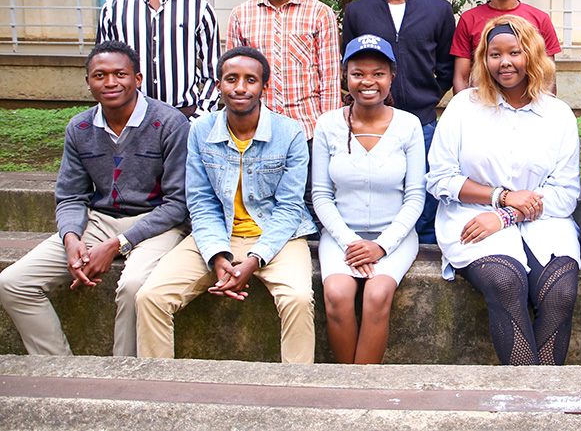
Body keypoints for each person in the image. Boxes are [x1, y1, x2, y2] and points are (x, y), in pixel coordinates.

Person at [0, 41, 189, 356]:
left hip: (156, 223)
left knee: (133, 287)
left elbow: (178, 204)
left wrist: (118, 245)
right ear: (88, 82)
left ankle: (122, 374)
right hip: (99, 222)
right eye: (100, 75)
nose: (110, 82)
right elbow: (71, 195)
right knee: (14, 283)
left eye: (120, 74)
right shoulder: (80, 127)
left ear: (138, 79)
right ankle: (59, 368)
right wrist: (71, 237)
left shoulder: (169, 123)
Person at [135, 47, 316, 363]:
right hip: (217, 232)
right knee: (151, 297)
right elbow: (201, 202)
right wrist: (218, 255)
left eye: (251, 80)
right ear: (219, 85)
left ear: (264, 87)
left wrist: (253, 260)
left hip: (278, 235)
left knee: (298, 299)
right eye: (231, 79)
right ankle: (157, 387)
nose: (241, 88)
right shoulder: (201, 131)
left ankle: (295, 389)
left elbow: (289, 207)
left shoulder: (290, 133)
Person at [426, 15, 580, 365]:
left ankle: (538, 393)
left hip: (544, 222)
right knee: (505, 282)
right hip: (472, 217)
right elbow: (440, 178)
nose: (504, 62)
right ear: (483, 59)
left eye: (514, 52)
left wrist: (507, 214)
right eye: (494, 54)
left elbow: (565, 193)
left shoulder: (557, 115)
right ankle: (530, 396)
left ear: (532, 55)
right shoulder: (464, 107)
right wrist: (501, 199)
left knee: (560, 293)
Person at [313, 35, 425, 363]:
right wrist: (349, 242)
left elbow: (415, 196)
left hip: (395, 235)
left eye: (378, 73)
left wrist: (382, 245)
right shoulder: (328, 125)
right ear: (345, 77)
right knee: (336, 294)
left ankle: (363, 387)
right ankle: (347, 384)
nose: (368, 82)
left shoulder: (408, 126)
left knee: (377, 295)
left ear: (391, 77)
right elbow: (321, 194)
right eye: (358, 73)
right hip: (341, 235)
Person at [342, 0, 456, 244]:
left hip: (422, 122)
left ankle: (425, 250)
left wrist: (429, 95)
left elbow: (447, 65)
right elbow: (349, 61)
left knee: (425, 192)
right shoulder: (358, 10)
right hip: (374, 121)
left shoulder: (438, 9)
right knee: (381, 191)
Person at [96, 0, 220, 119]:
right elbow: (101, 69)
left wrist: (199, 117)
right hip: (129, 119)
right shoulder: (113, 9)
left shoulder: (199, 9)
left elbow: (213, 72)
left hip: (183, 117)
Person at [227, 0, 340, 141]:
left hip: (307, 131)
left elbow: (329, 79)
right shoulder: (240, 15)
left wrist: (329, 134)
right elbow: (232, 79)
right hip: (256, 131)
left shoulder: (320, 14)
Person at [452, 0, 560, 94]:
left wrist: (543, 111)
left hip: (528, 108)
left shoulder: (540, 19)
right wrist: (466, 111)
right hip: (483, 106)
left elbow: (548, 76)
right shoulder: (469, 19)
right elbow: (461, 77)